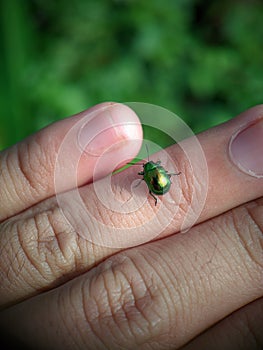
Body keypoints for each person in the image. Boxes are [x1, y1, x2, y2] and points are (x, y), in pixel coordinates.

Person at [0, 102, 262, 350]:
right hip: (163, 186)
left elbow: (152, 178)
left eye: (148, 165)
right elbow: (157, 177)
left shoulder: (148, 172)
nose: (148, 166)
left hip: (161, 186)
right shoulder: (152, 172)